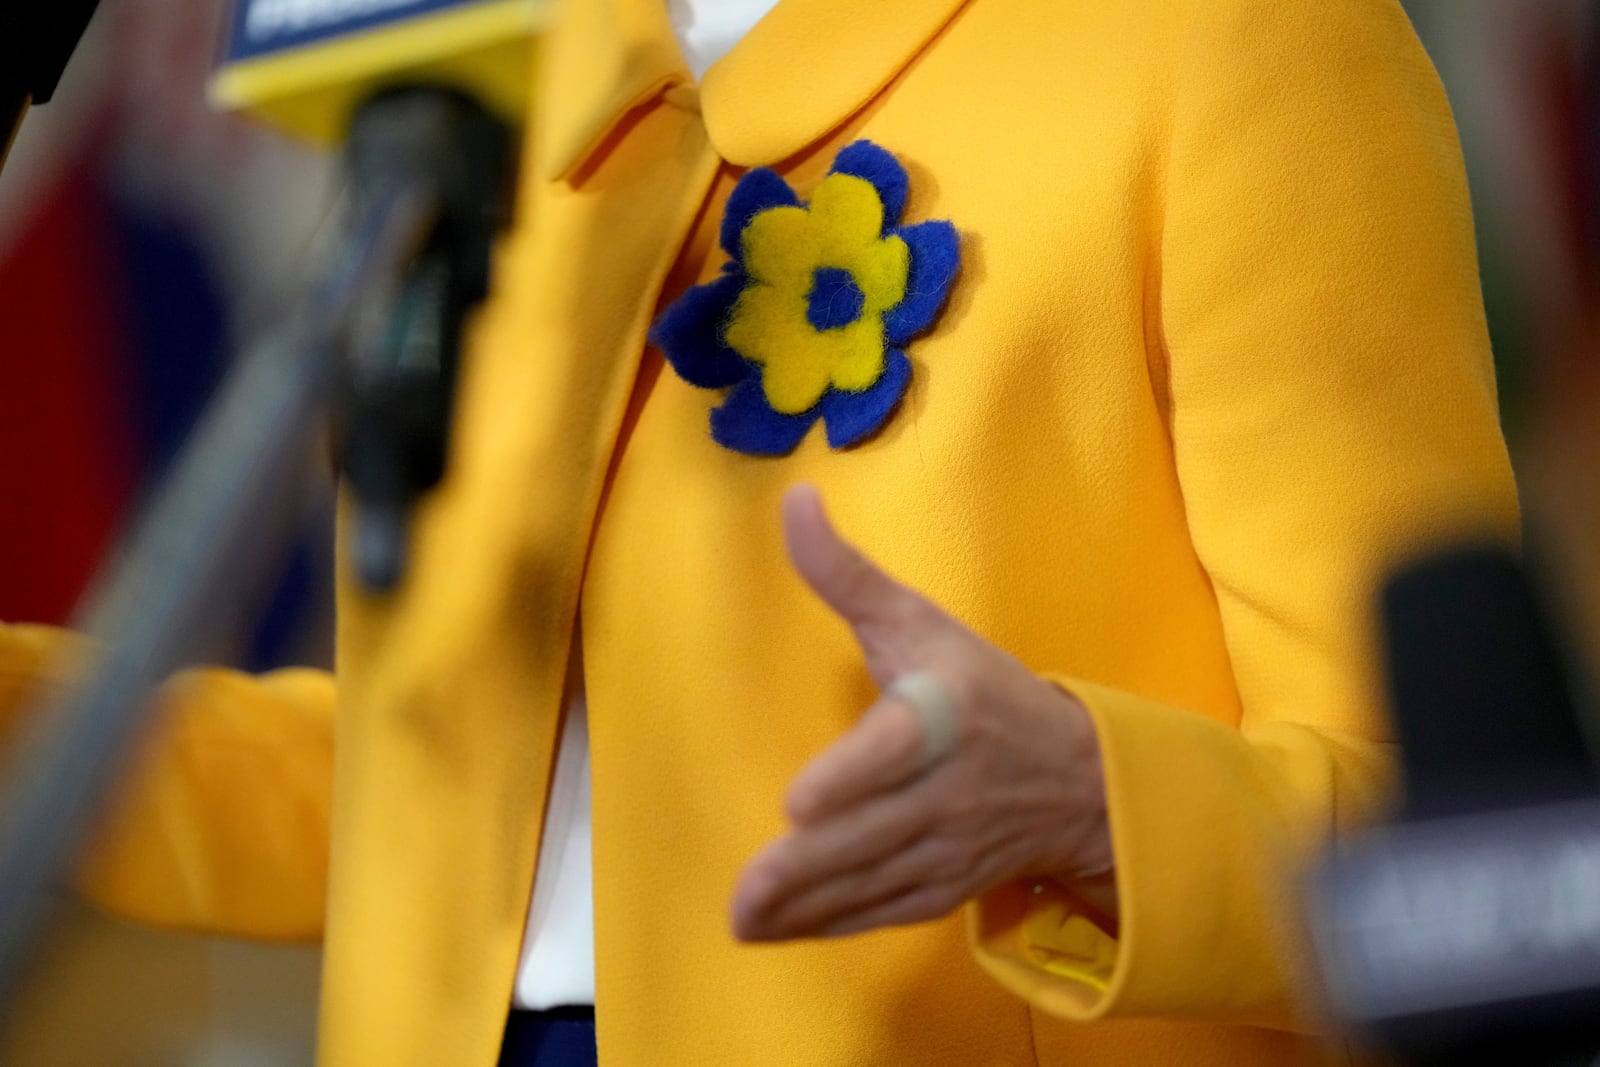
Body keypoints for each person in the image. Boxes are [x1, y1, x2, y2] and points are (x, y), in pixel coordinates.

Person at [0, 0, 1520, 1063]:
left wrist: (1091, 805)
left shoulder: (1244, 36)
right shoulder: (488, 79)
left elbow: (1470, 848)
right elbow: (432, 780)